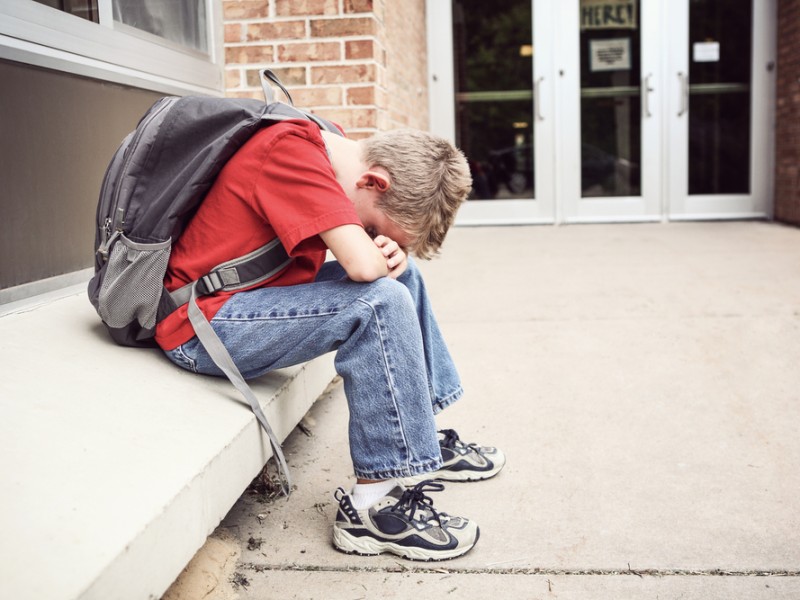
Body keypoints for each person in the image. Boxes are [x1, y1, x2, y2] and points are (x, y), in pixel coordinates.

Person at [155, 117, 506, 561]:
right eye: (373, 228)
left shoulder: (331, 149)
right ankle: (370, 509)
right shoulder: (291, 154)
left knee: (404, 274)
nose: (371, 236)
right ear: (373, 182)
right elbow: (362, 267)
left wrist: (394, 252)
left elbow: (370, 261)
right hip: (201, 327)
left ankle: (418, 430)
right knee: (380, 299)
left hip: (249, 302)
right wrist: (376, 253)